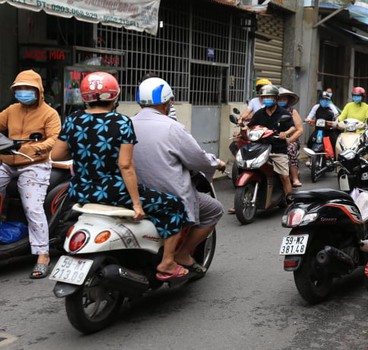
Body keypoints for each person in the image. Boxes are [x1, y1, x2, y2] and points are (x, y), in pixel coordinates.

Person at [51, 72, 191, 280]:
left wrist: (83, 148)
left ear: (85, 96)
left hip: (80, 191)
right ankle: (168, 262)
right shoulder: (121, 122)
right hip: (114, 193)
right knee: (174, 206)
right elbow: (126, 166)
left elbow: (57, 154)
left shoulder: (73, 120)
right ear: (114, 96)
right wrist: (136, 204)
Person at [132, 77, 226, 275]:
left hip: (135, 195)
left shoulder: (127, 124)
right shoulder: (172, 127)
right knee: (214, 209)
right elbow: (197, 159)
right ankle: (182, 254)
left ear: (140, 102)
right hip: (168, 195)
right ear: (168, 103)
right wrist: (216, 162)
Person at [0, 70, 61, 279]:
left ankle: (42, 255)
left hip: (34, 164)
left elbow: (54, 139)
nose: (23, 92)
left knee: (33, 208)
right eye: (19, 89)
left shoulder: (49, 113)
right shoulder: (11, 110)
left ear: (38, 91)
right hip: (8, 161)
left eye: (27, 88)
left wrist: (37, 149)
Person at [244, 84, 293, 196]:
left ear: (276, 98)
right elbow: (250, 125)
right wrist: (242, 129)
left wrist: (286, 133)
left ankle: (291, 202)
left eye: (269, 97)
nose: (267, 99)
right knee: (246, 169)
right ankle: (242, 199)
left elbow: (293, 127)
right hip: (260, 149)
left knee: (284, 176)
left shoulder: (283, 113)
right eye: (264, 97)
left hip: (278, 149)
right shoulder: (259, 113)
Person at [277, 88, 304, 188]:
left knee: (290, 149)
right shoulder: (271, 110)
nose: (281, 101)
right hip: (272, 137)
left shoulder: (292, 111)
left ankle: (295, 177)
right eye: (280, 99)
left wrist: (289, 140)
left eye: (284, 99)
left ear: (288, 100)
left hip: (289, 139)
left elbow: (299, 129)